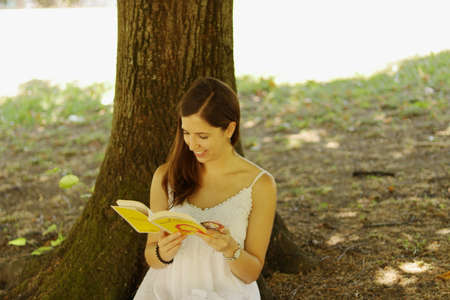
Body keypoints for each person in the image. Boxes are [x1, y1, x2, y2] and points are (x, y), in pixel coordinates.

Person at [133, 77, 277, 300]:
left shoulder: (260, 184)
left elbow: (251, 273)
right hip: (167, 292)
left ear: (229, 129)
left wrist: (231, 249)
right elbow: (151, 255)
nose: (192, 144)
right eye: (186, 133)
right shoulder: (166, 176)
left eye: (202, 136)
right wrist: (162, 252)